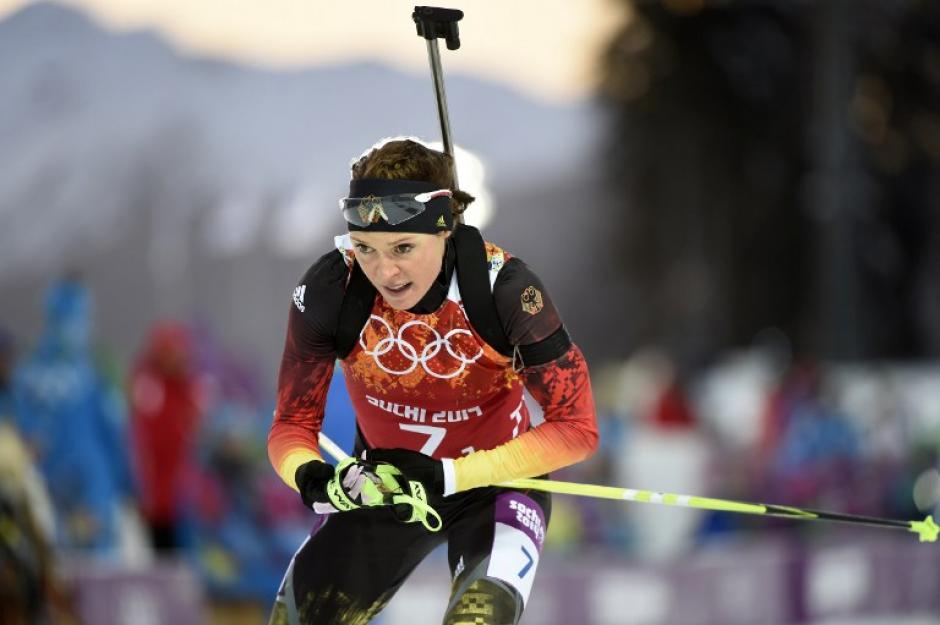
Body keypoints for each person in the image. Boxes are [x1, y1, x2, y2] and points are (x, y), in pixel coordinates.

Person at [267, 138, 598, 625]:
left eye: (403, 247)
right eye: (365, 248)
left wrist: (450, 475)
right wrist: (313, 478)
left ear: (444, 229)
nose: (385, 271)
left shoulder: (504, 291)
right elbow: (291, 425)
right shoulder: (330, 291)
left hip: (497, 488)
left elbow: (577, 428)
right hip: (386, 487)